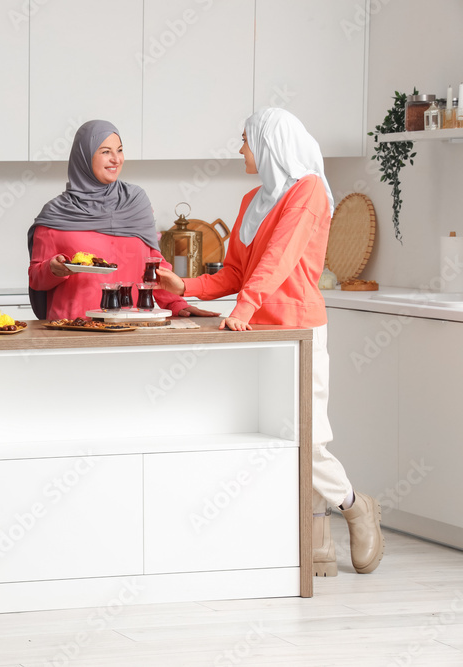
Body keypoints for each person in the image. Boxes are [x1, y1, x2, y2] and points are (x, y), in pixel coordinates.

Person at [155, 107, 384, 577]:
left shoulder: (310, 192)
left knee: (308, 436)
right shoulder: (251, 201)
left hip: (298, 327)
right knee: (274, 438)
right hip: (257, 331)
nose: (241, 148)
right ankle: (313, 543)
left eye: (245, 139)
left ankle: (356, 508)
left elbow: (279, 259)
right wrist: (187, 287)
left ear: (270, 141)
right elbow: (237, 272)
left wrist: (240, 310)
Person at [27, 119, 217, 321]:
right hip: (73, 328)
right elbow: (36, 279)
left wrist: (177, 303)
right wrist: (52, 270)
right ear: (83, 156)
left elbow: (154, 266)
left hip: (130, 327)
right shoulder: (57, 212)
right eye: (105, 152)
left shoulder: (135, 201)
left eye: (119, 150)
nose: (116, 159)